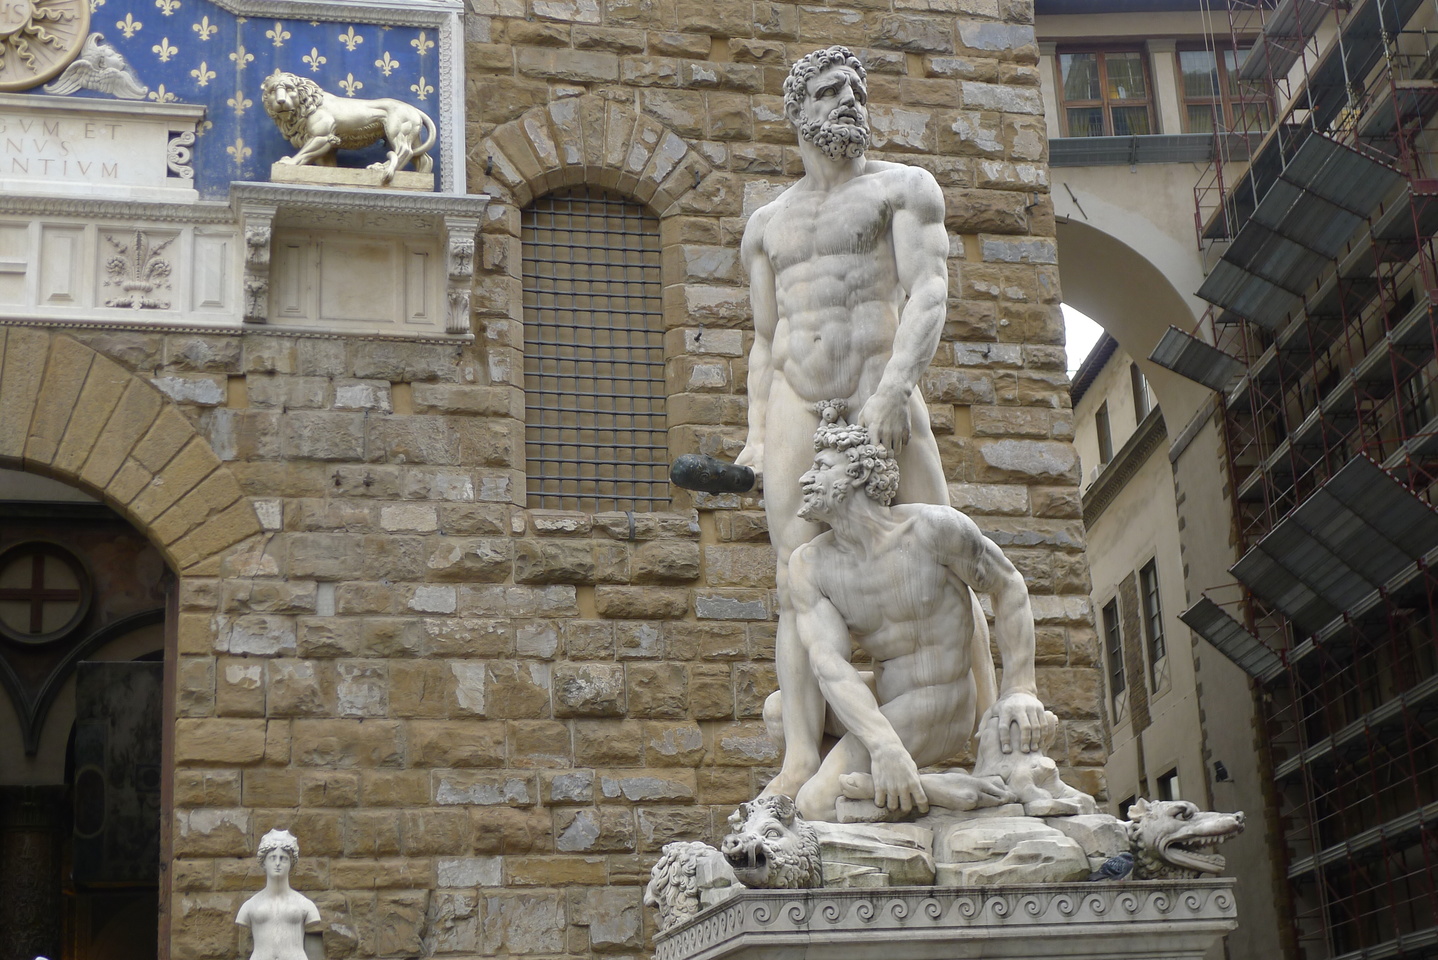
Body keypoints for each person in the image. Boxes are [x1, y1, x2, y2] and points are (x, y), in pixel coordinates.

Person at [737, 45, 953, 802]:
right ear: (797, 112)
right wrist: (756, 435)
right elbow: (764, 339)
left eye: (857, 89)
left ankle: (984, 731)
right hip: (797, 399)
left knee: (943, 553)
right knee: (796, 575)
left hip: (878, 388)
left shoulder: (903, 188)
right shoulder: (766, 226)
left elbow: (928, 292)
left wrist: (893, 393)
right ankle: (801, 756)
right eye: (831, 90)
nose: (850, 100)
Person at [777, 410, 1047, 820]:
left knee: (815, 805)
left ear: (857, 473)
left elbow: (1008, 586)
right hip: (890, 697)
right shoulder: (810, 564)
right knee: (777, 712)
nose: (803, 479)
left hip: (941, 701)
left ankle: (878, 785)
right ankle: (934, 788)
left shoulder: (933, 529)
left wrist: (1020, 687)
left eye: (820, 467)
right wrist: (884, 745)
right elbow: (830, 665)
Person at [235, 829, 321, 960]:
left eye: (283, 858)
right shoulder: (250, 906)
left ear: (291, 863)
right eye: (272, 858)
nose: (277, 863)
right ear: (264, 862)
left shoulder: (305, 905)